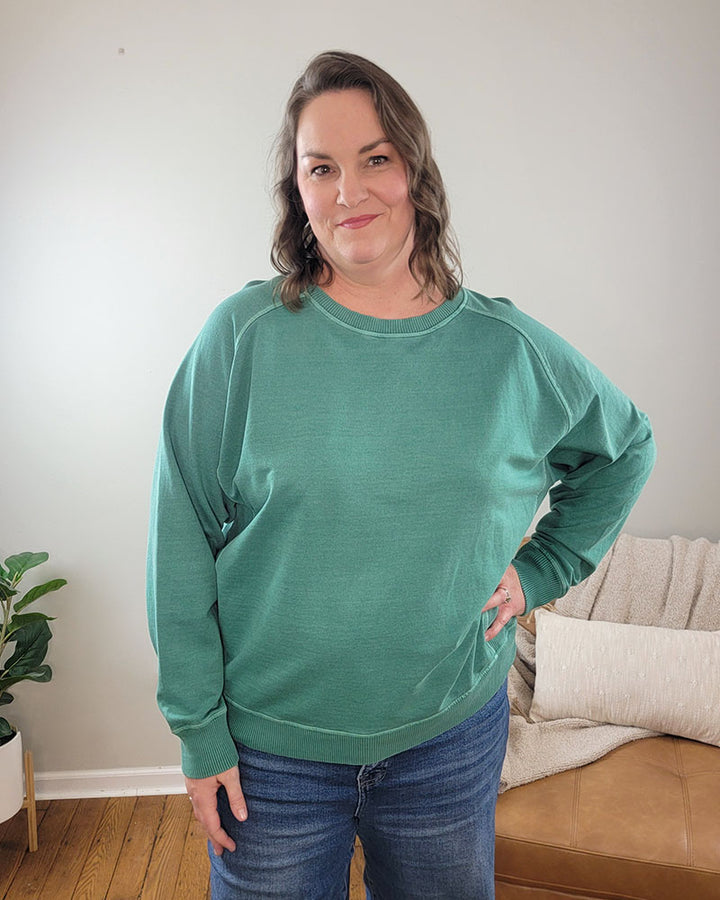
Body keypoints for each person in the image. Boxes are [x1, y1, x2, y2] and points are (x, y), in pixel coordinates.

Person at [146, 50, 655, 899]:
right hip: (269, 757)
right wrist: (199, 733)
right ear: (297, 192)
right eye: (322, 168)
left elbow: (625, 447)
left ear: (416, 170)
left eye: (375, 158)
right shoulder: (240, 340)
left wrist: (542, 570)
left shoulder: (507, 353)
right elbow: (178, 543)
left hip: (447, 745)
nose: (350, 192)